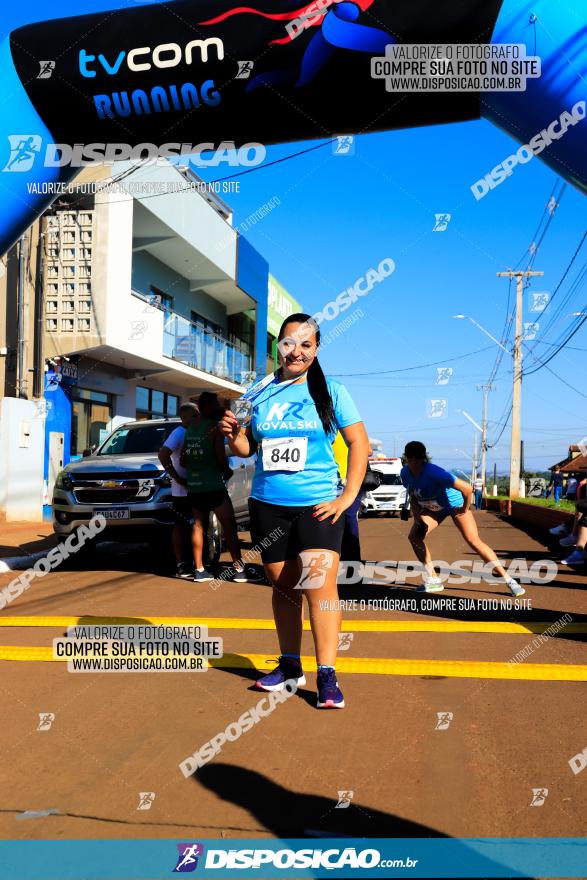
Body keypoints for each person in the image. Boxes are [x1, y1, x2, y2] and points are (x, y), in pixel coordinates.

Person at [218, 313, 368, 709]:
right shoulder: (259, 393)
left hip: (318, 505)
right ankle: (289, 665)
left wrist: (347, 496)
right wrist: (234, 435)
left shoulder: (331, 391)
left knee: (319, 587)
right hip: (268, 504)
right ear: (278, 347)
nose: (296, 351)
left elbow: (359, 445)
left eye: (306, 344)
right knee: (283, 585)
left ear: (316, 349)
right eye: (288, 343)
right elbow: (247, 451)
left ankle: (327, 675)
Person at [401, 441, 525, 596]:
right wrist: (418, 520)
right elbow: (413, 496)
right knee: (414, 536)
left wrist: (465, 508)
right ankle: (433, 579)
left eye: (418, 459)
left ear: (423, 459)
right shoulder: (404, 473)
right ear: (407, 459)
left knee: (474, 541)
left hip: (455, 505)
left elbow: (467, 488)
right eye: (411, 459)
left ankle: (509, 580)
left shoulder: (435, 473)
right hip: (434, 508)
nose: (415, 463)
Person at [184, 391, 255, 584]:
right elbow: (220, 457)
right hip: (213, 485)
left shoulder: (191, 427)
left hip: (195, 486)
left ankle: (199, 570)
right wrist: (227, 472)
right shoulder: (214, 428)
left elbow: (183, 458)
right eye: (214, 404)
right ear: (206, 406)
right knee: (230, 526)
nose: (217, 407)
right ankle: (239, 570)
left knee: (198, 526)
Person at [158, 402, 198, 578]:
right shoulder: (178, 433)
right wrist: (178, 477)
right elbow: (163, 454)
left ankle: (197, 563)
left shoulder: (194, 432)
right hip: (182, 491)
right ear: (184, 417)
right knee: (181, 526)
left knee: (197, 525)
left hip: (197, 488)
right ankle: (181, 564)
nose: (197, 417)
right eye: (194, 415)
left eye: (198, 414)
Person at [332, 432, 370, 562]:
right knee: (347, 523)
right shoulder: (347, 429)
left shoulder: (340, 429)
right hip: (338, 483)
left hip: (346, 484)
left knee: (347, 524)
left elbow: (368, 450)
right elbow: (368, 450)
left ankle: (350, 568)